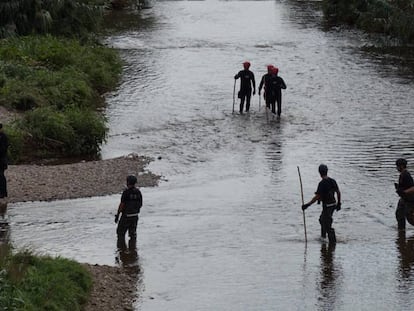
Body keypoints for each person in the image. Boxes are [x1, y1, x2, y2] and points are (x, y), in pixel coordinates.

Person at [302, 164, 341, 244]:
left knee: (327, 224)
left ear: (319, 173)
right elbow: (338, 192)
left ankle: (333, 243)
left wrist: (307, 205)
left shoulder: (322, 183)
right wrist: (339, 203)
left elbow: (317, 197)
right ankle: (323, 238)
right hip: (333, 205)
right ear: (326, 171)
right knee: (322, 220)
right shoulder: (332, 181)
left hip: (328, 206)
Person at [114, 175, 143, 247]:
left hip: (126, 216)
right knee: (132, 235)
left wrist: (117, 215)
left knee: (120, 233)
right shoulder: (138, 192)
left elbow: (122, 205)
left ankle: (121, 251)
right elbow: (140, 204)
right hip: (135, 216)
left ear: (128, 182)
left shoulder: (126, 192)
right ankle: (133, 252)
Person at [394, 158, 414, 231]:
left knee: (410, 218)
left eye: (397, 166)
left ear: (401, 166)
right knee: (399, 214)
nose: (396, 168)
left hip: (410, 200)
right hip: (404, 199)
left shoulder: (406, 175)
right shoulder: (402, 175)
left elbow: (413, 188)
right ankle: (401, 230)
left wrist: (404, 192)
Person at [0, 123, 9, 199]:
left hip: (1, 160)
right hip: (2, 159)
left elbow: (3, 149)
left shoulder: (3, 137)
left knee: (1, 175)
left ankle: (3, 193)